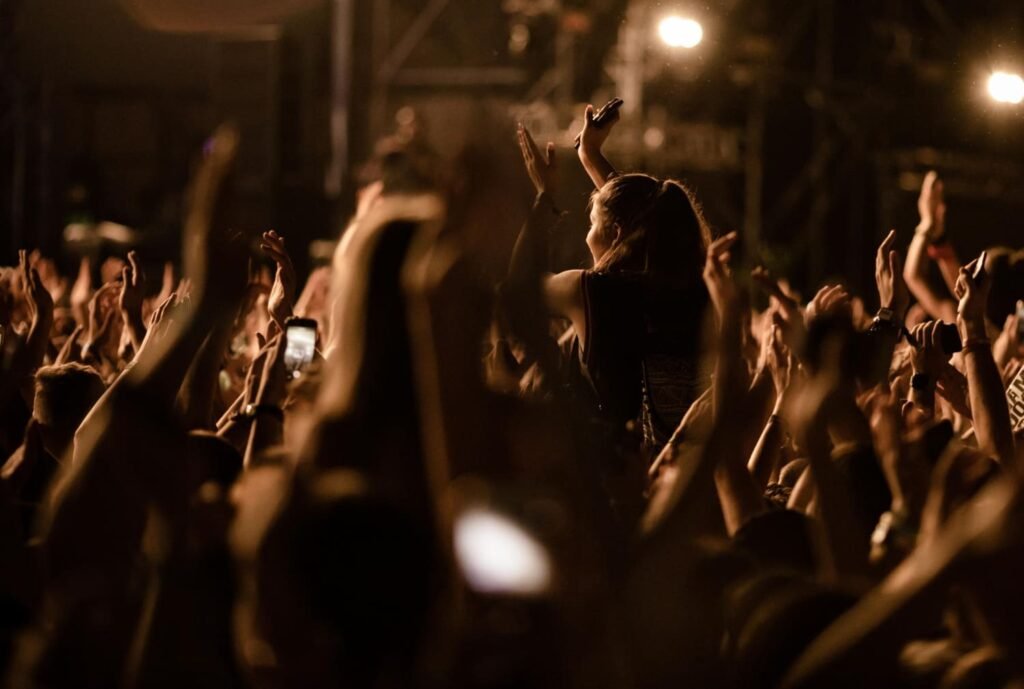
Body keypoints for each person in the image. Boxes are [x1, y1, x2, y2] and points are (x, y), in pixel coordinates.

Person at [507, 104, 713, 454]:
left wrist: (545, 198)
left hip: (617, 482)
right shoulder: (696, 290)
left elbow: (520, 287)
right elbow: (646, 220)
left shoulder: (590, 292)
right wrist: (590, 156)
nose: (587, 235)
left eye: (591, 225)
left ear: (616, 233)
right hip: (683, 477)